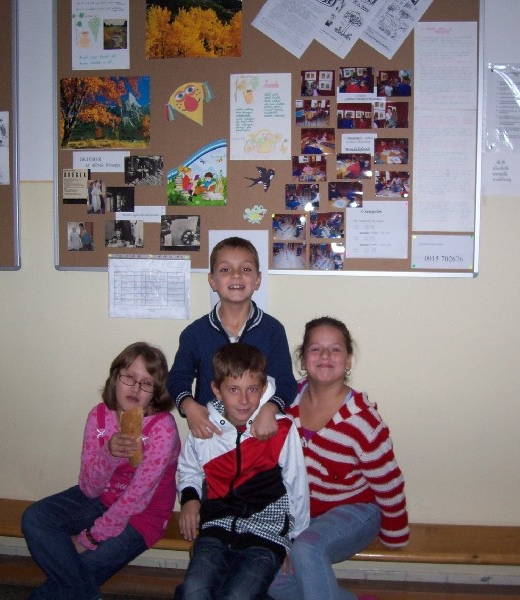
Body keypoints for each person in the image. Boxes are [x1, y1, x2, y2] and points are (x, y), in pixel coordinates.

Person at [21, 342, 180, 600]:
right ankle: (87, 594)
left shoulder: (162, 428)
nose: (135, 388)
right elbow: (88, 488)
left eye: (146, 383)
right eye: (129, 377)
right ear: (116, 377)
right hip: (101, 498)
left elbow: (137, 499)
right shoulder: (99, 416)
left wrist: (88, 539)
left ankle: (80, 591)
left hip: (143, 516)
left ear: (155, 392)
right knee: (35, 518)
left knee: (72, 575)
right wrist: (109, 454)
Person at [268, 317, 409, 600]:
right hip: (304, 516)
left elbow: (388, 481)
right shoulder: (285, 404)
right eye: (315, 349)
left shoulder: (362, 419)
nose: (325, 356)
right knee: (272, 581)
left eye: (335, 350)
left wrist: (395, 535)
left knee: (307, 549)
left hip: (356, 511)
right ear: (302, 358)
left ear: (347, 361)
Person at [175, 343, 309, 600]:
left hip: (267, 535)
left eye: (252, 389)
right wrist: (190, 499)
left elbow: (297, 486)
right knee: (194, 591)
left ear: (263, 389)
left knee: (237, 596)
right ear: (217, 389)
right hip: (216, 528)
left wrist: (296, 542)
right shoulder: (204, 426)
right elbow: (189, 468)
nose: (244, 400)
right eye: (234, 390)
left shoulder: (281, 428)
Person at [167, 236, 296, 442]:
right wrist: (189, 407)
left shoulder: (272, 330)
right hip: (212, 435)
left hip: (258, 436)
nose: (236, 275)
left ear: (258, 279)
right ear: (212, 280)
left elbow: (286, 383)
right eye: (225, 269)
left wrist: (271, 409)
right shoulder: (195, 333)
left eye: (245, 269)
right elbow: (177, 379)